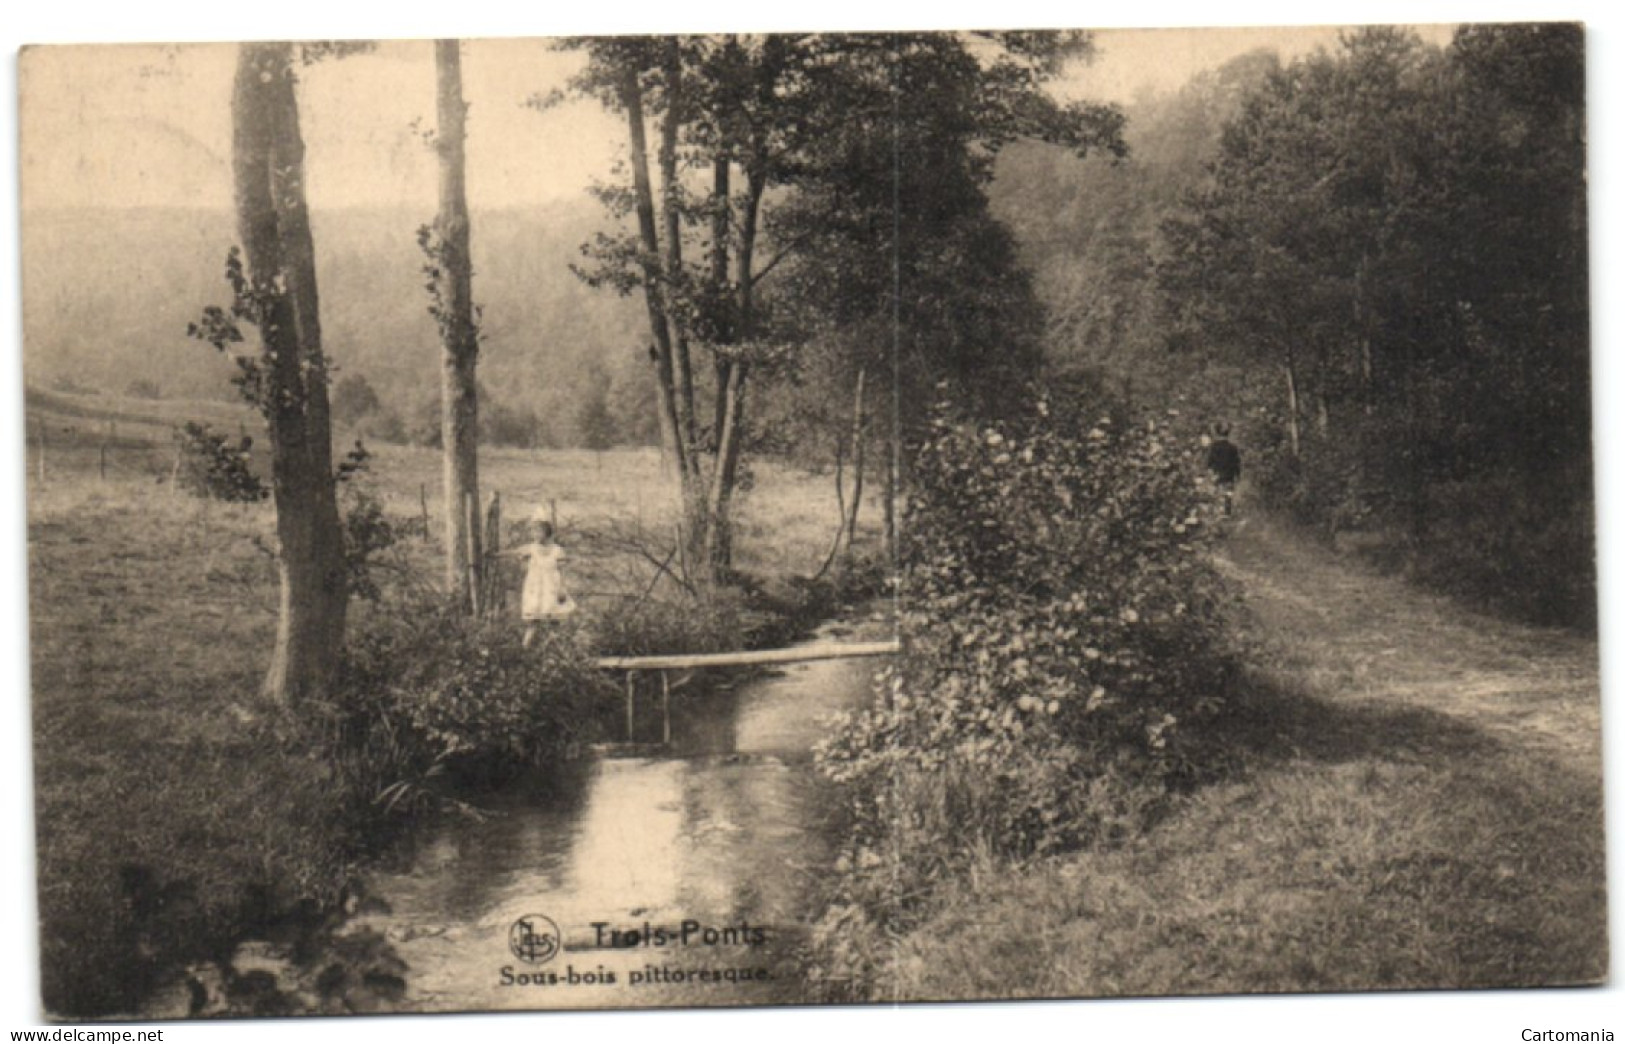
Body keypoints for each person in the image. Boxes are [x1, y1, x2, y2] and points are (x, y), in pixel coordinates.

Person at [499, 515, 577, 647]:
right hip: (535, 589)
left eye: (539, 531)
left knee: (554, 621)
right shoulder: (531, 548)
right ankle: (524, 653)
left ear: (547, 532)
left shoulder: (557, 550)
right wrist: (495, 555)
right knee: (533, 623)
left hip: (551, 588)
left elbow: (563, 570)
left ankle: (553, 652)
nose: (535, 535)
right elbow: (513, 552)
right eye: (533, 531)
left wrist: (562, 589)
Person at [1206, 422, 1242, 516]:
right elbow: (1236, 463)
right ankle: (1227, 512)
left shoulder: (1214, 447)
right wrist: (1237, 475)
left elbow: (1209, 462)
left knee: (1217, 494)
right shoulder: (1232, 448)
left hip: (1217, 474)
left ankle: (1216, 513)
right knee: (1228, 494)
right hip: (1229, 475)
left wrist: (1210, 473)